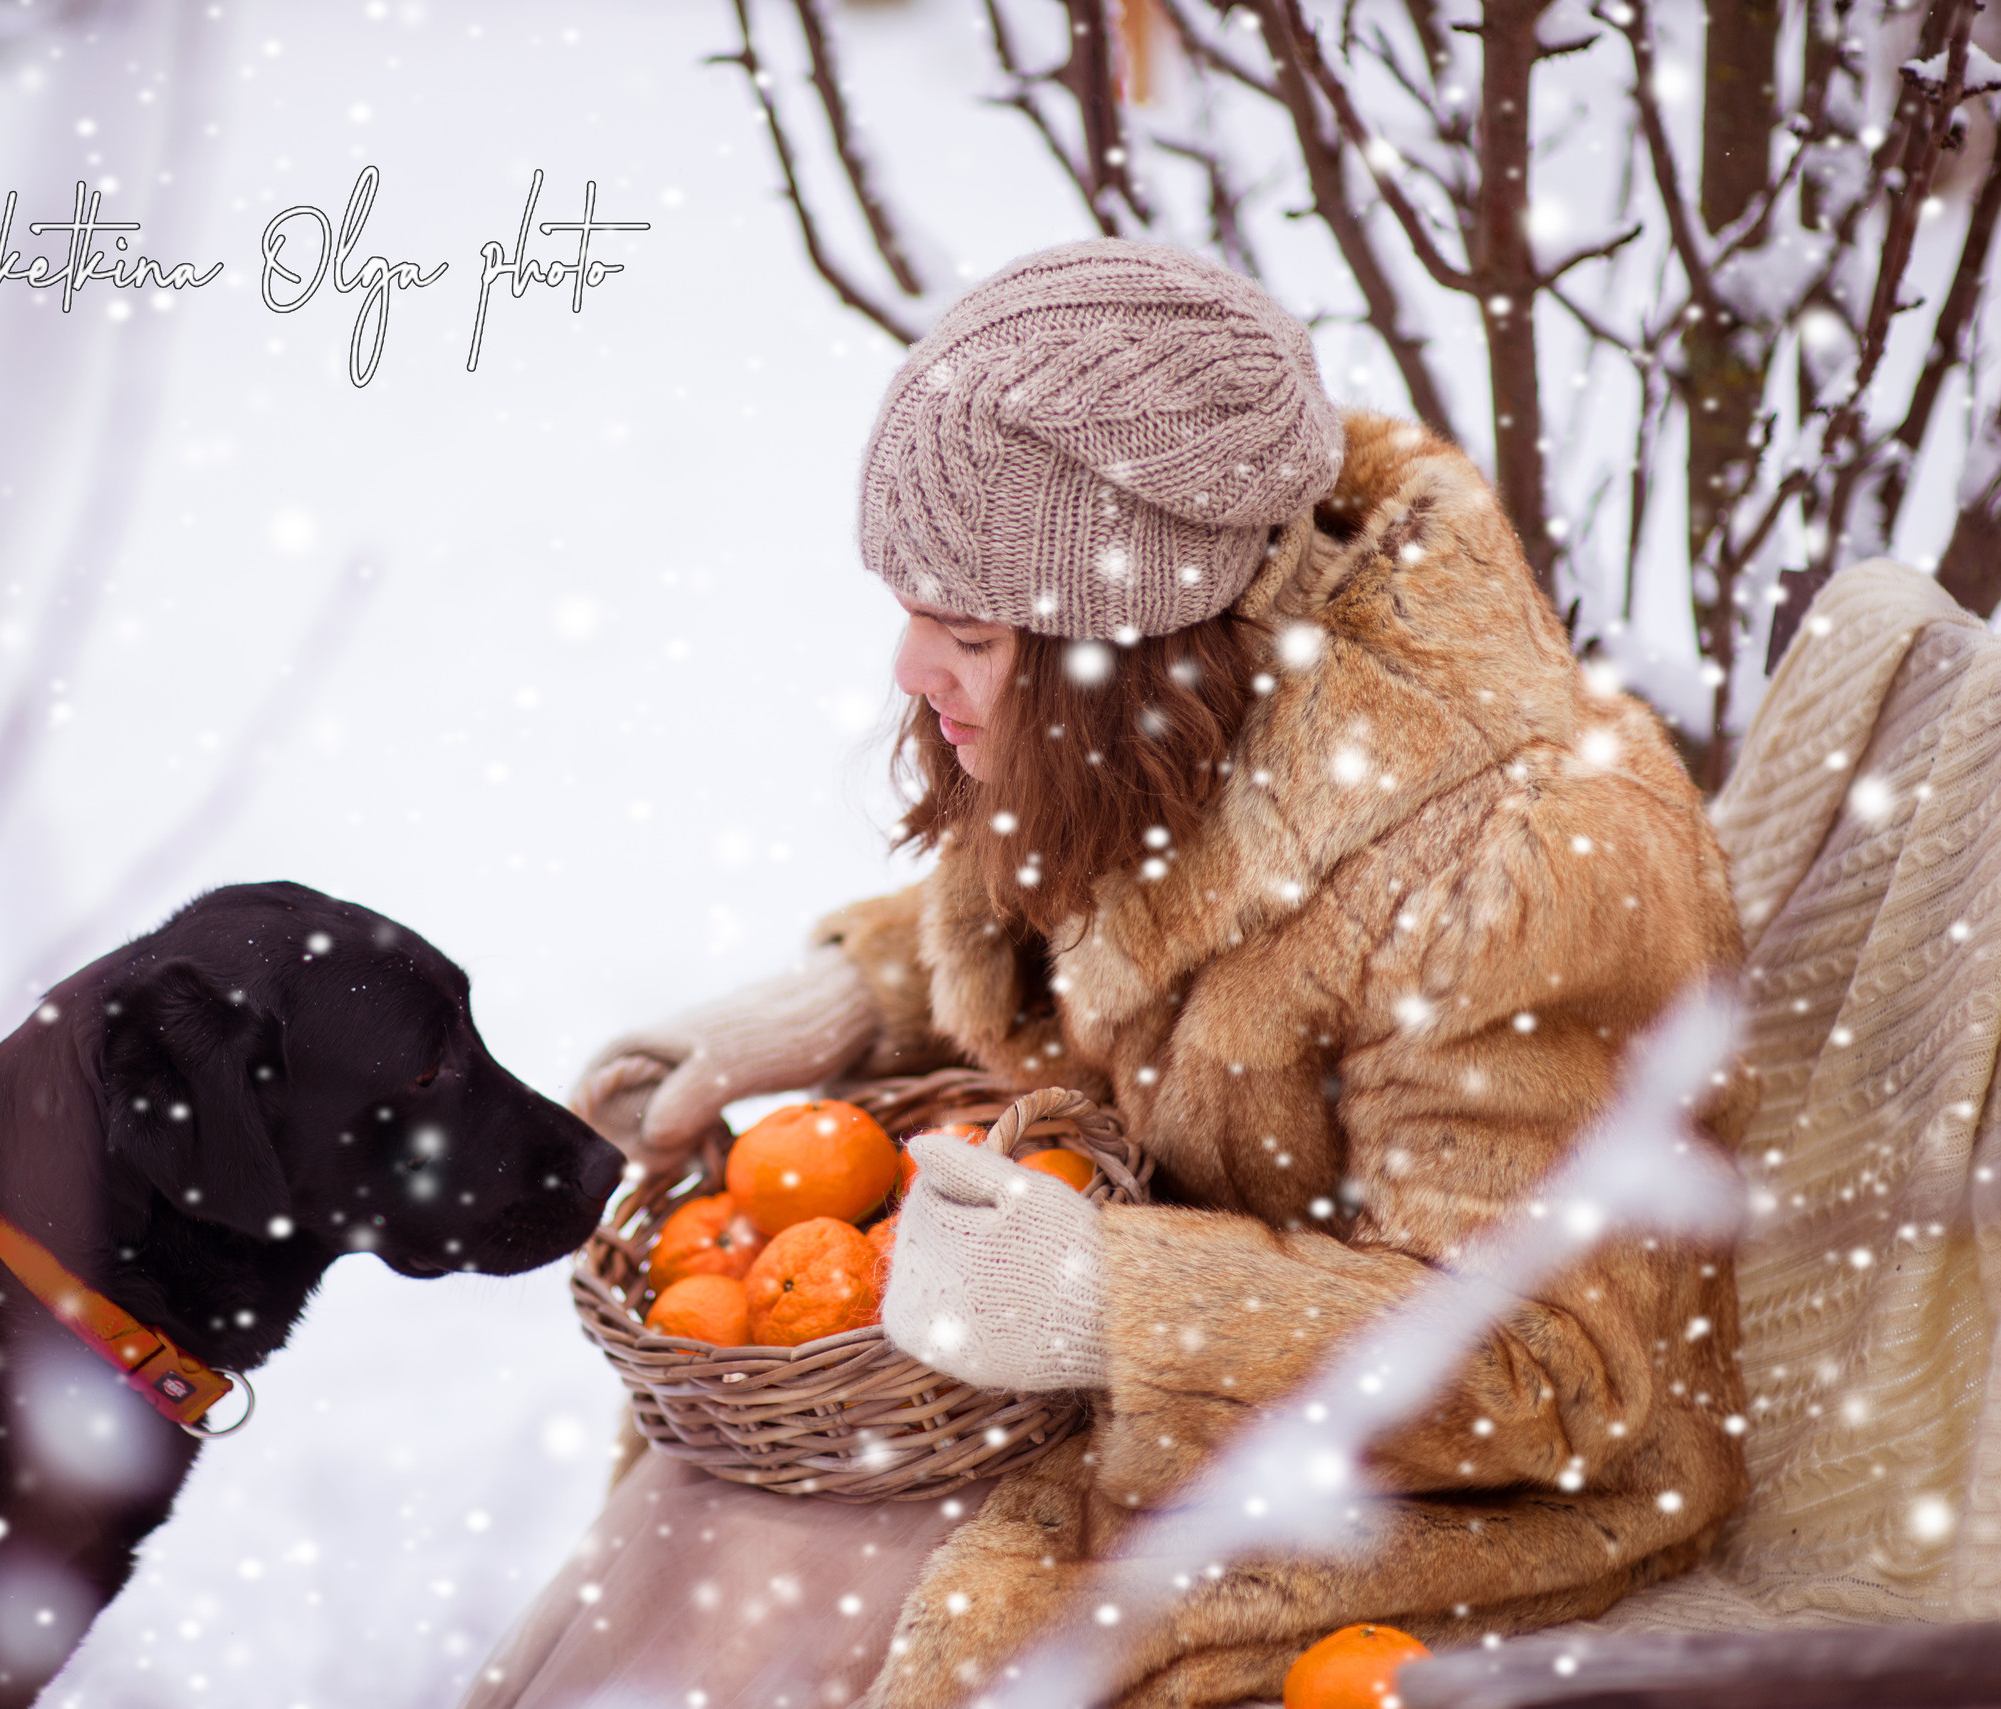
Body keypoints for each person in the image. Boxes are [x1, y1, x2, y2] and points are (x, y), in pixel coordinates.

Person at [465, 241, 1753, 1709]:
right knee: (712, 1512)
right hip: (1170, 1410)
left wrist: (1105, 1300)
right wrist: (838, 1004)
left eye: (964, 633)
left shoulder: (1526, 863)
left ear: (1129, 649)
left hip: (1441, 1499)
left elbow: (1554, 1366)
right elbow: (1099, 914)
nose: (907, 669)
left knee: (794, 1571)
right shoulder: (1213, 697)